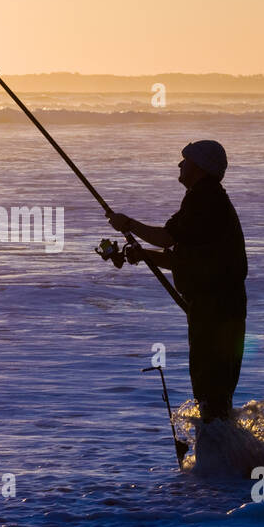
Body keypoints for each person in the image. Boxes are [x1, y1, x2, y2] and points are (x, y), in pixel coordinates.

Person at [109, 140, 247, 422]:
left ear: (199, 167)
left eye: (185, 160)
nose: (180, 165)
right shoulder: (205, 199)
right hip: (217, 306)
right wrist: (143, 254)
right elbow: (182, 258)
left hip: (215, 308)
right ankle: (224, 452)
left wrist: (128, 224)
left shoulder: (205, 199)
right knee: (214, 390)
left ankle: (218, 452)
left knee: (210, 387)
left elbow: (165, 238)